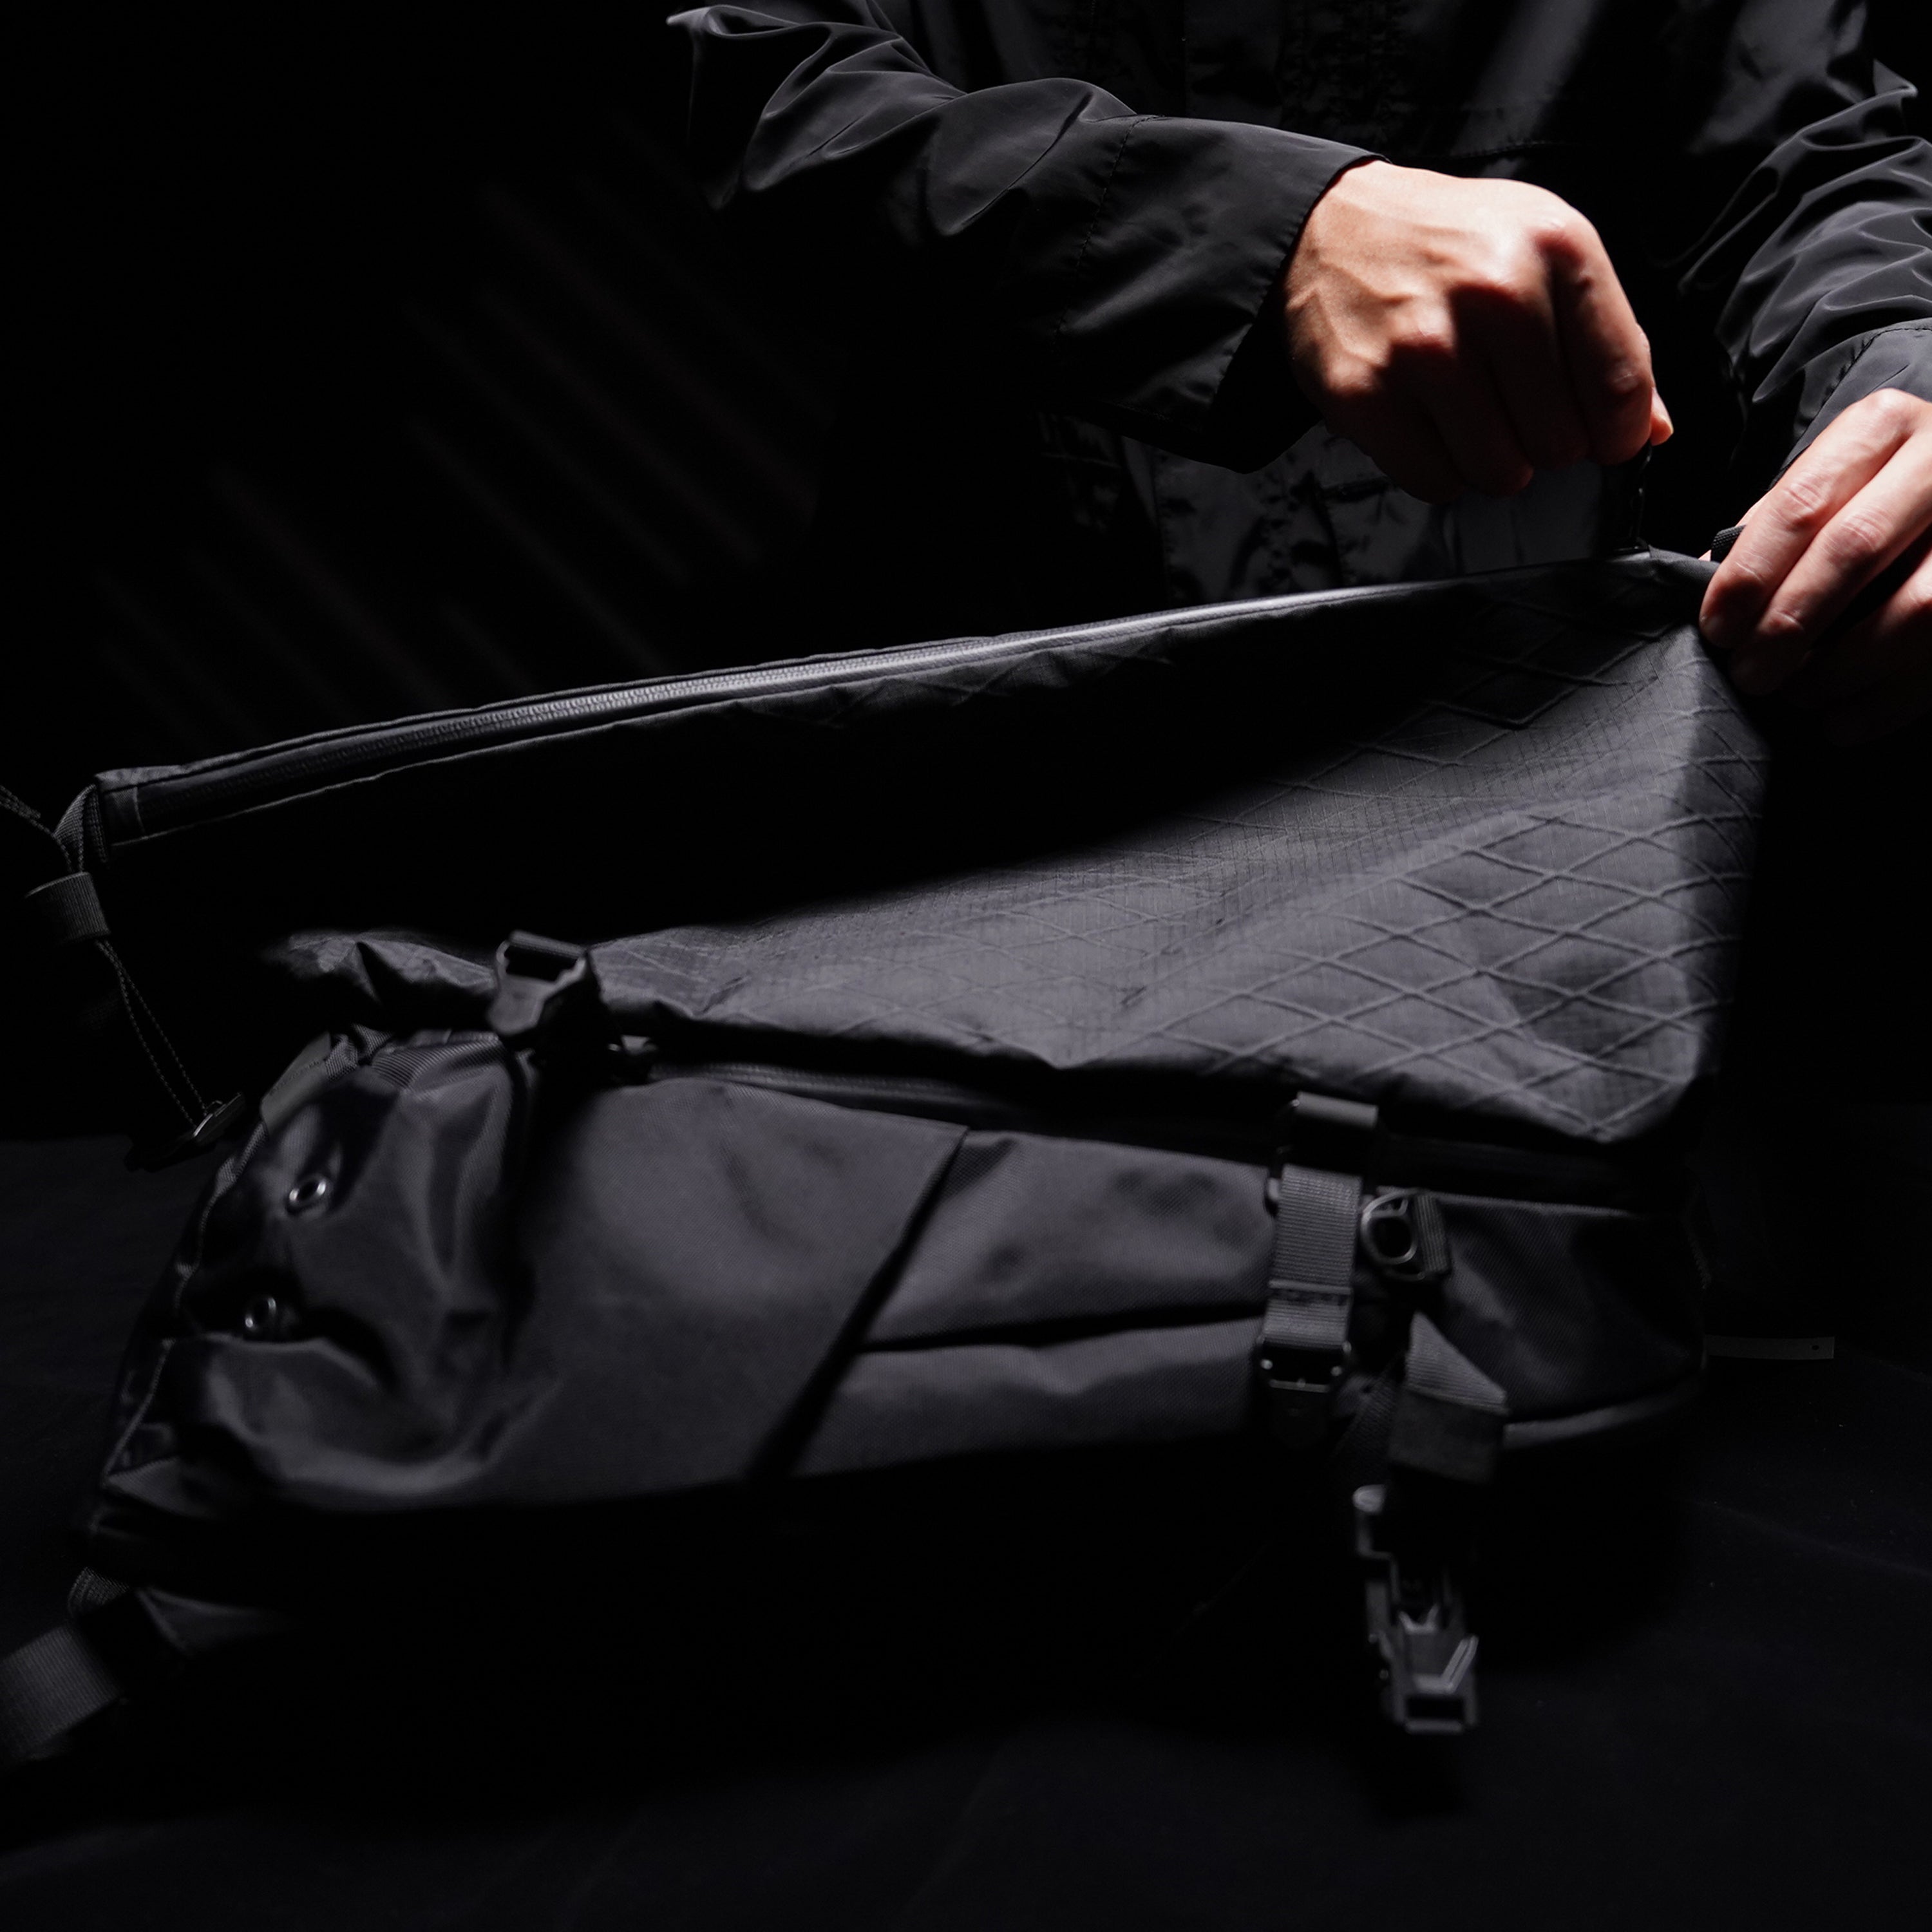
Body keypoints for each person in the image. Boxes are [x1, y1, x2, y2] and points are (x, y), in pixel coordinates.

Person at [669, 0, 1929, 746]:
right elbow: (773, 90)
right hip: (988, 781)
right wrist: (1269, 236)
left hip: (1567, 797)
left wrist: (1903, 388)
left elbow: (1812, 158)